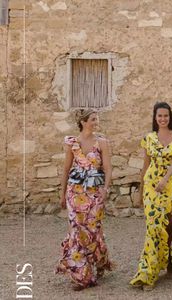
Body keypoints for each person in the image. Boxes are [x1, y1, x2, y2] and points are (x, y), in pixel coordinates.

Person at [56, 109, 113, 290]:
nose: (96, 122)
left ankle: (101, 262)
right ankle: (82, 275)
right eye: (93, 119)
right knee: (76, 230)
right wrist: (62, 193)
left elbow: (108, 169)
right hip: (75, 192)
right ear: (83, 122)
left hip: (94, 192)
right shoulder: (72, 143)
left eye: (97, 119)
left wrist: (105, 189)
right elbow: (66, 169)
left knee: (93, 230)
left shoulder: (102, 142)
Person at [130, 102, 172, 290]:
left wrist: (165, 180)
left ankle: (171, 262)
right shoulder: (149, 138)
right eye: (160, 116)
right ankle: (148, 272)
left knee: (170, 225)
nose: (163, 119)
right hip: (151, 185)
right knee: (153, 226)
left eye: (166, 116)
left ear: (170, 117)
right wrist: (141, 190)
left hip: (169, 184)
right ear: (155, 117)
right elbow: (145, 165)